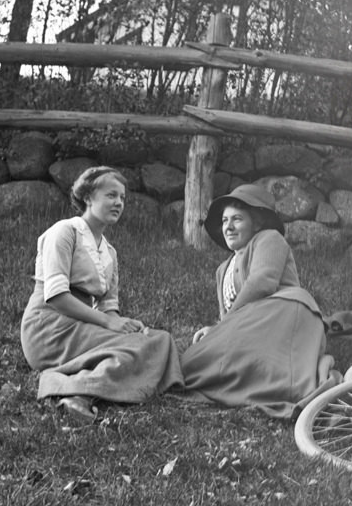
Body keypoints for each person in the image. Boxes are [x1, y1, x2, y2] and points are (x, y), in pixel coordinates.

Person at [20, 166, 183, 424]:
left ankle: (100, 385)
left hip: (82, 325)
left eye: (122, 198)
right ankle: (70, 391)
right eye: (111, 195)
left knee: (159, 340)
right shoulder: (64, 232)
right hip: (49, 327)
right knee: (134, 349)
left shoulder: (110, 252)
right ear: (88, 198)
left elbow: (109, 309)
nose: (118, 202)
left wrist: (121, 325)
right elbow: (56, 296)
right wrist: (109, 324)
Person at [179, 183, 327, 419]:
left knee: (201, 362)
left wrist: (222, 327)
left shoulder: (269, 239)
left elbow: (262, 283)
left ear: (256, 222)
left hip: (283, 312)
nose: (228, 226)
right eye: (225, 221)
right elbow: (227, 317)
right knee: (195, 360)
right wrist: (217, 330)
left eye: (237, 219)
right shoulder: (222, 270)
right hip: (252, 323)